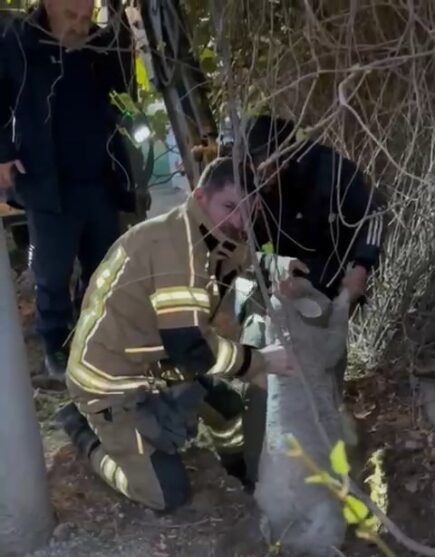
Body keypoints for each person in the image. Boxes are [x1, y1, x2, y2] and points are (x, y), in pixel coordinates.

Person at [58, 158, 294, 511]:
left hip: (153, 362)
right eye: (230, 207)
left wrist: (278, 267)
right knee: (166, 494)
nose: (240, 221)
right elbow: (192, 349)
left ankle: (240, 472)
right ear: (200, 197)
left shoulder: (206, 231)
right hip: (109, 382)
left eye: (250, 211)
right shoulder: (178, 250)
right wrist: (259, 361)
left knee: (229, 411)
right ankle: (83, 432)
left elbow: (241, 261)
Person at [0, 0, 136, 380]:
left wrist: (121, 27)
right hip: (48, 182)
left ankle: (93, 334)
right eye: (71, 17)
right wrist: (3, 154)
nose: (79, 26)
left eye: (85, 18)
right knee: (52, 271)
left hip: (99, 177)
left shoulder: (98, 44)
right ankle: (55, 343)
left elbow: (123, 86)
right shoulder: (18, 41)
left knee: (104, 267)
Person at [244, 114, 385, 305]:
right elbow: (247, 253)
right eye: (250, 163)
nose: (256, 171)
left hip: (350, 268)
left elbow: (374, 212)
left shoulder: (327, 169)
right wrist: (277, 269)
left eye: (261, 161)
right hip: (301, 284)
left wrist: (362, 266)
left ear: (281, 154)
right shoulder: (255, 193)